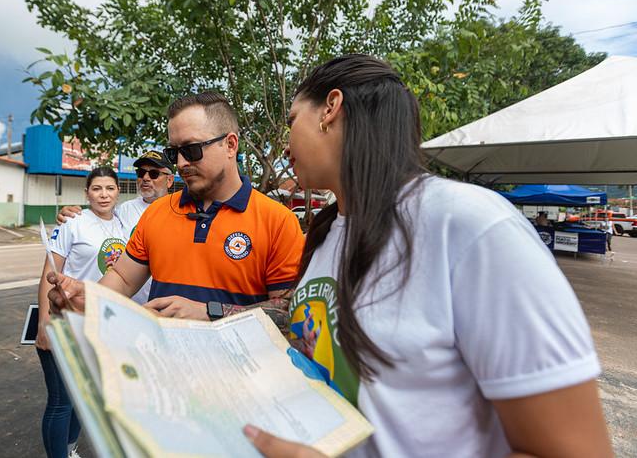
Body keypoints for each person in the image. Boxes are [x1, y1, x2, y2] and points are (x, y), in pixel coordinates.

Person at [242, 55, 612, 457]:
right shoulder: (327, 232)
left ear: (330, 108)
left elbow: (576, 450)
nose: (284, 144)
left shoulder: (469, 227)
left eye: (291, 120)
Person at [48, 92, 304, 330]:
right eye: (174, 152)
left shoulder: (277, 221)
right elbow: (124, 280)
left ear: (230, 144)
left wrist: (213, 313)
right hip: (160, 370)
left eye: (191, 150)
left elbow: (289, 314)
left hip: (239, 375)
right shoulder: (158, 213)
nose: (182, 163)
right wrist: (84, 297)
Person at [36, 167, 127, 458]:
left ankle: (70, 449)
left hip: (100, 322)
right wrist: (44, 323)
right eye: (97, 188)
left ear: (118, 192)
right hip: (65, 320)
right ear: (86, 193)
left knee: (83, 396)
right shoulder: (73, 222)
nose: (103, 194)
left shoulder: (123, 224)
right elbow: (49, 273)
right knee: (62, 401)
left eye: (110, 188)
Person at [56, 150, 176, 303]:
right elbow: (99, 216)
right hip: (127, 305)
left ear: (170, 180)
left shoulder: (180, 211)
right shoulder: (123, 210)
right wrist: (68, 214)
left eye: (153, 173)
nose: (145, 178)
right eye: (141, 173)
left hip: (165, 305)